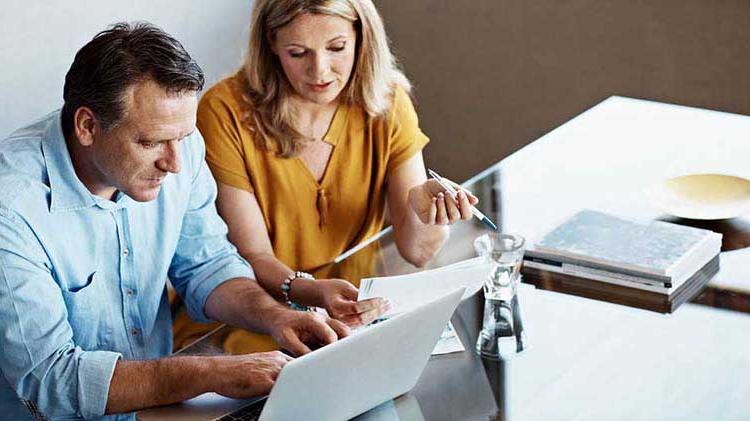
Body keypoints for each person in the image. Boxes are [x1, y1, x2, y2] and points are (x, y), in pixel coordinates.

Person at [0, 22, 350, 420]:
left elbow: (208, 265)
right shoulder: (10, 212)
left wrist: (277, 317)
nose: (174, 163)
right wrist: (210, 372)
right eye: (149, 143)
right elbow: (53, 380)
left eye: (181, 138)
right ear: (87, 126)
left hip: (156, 411)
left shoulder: (178, 143)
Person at [173, 0, 479, 351]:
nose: (320, 72)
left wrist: (428, 214)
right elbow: (252, 255)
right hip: (250, 321)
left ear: (361, 38)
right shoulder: (224, 112)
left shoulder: (387, 101)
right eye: (298, 53)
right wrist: (309, 291)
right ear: (271, 43)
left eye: (336, 48)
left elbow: (418, 252)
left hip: (353, 317)